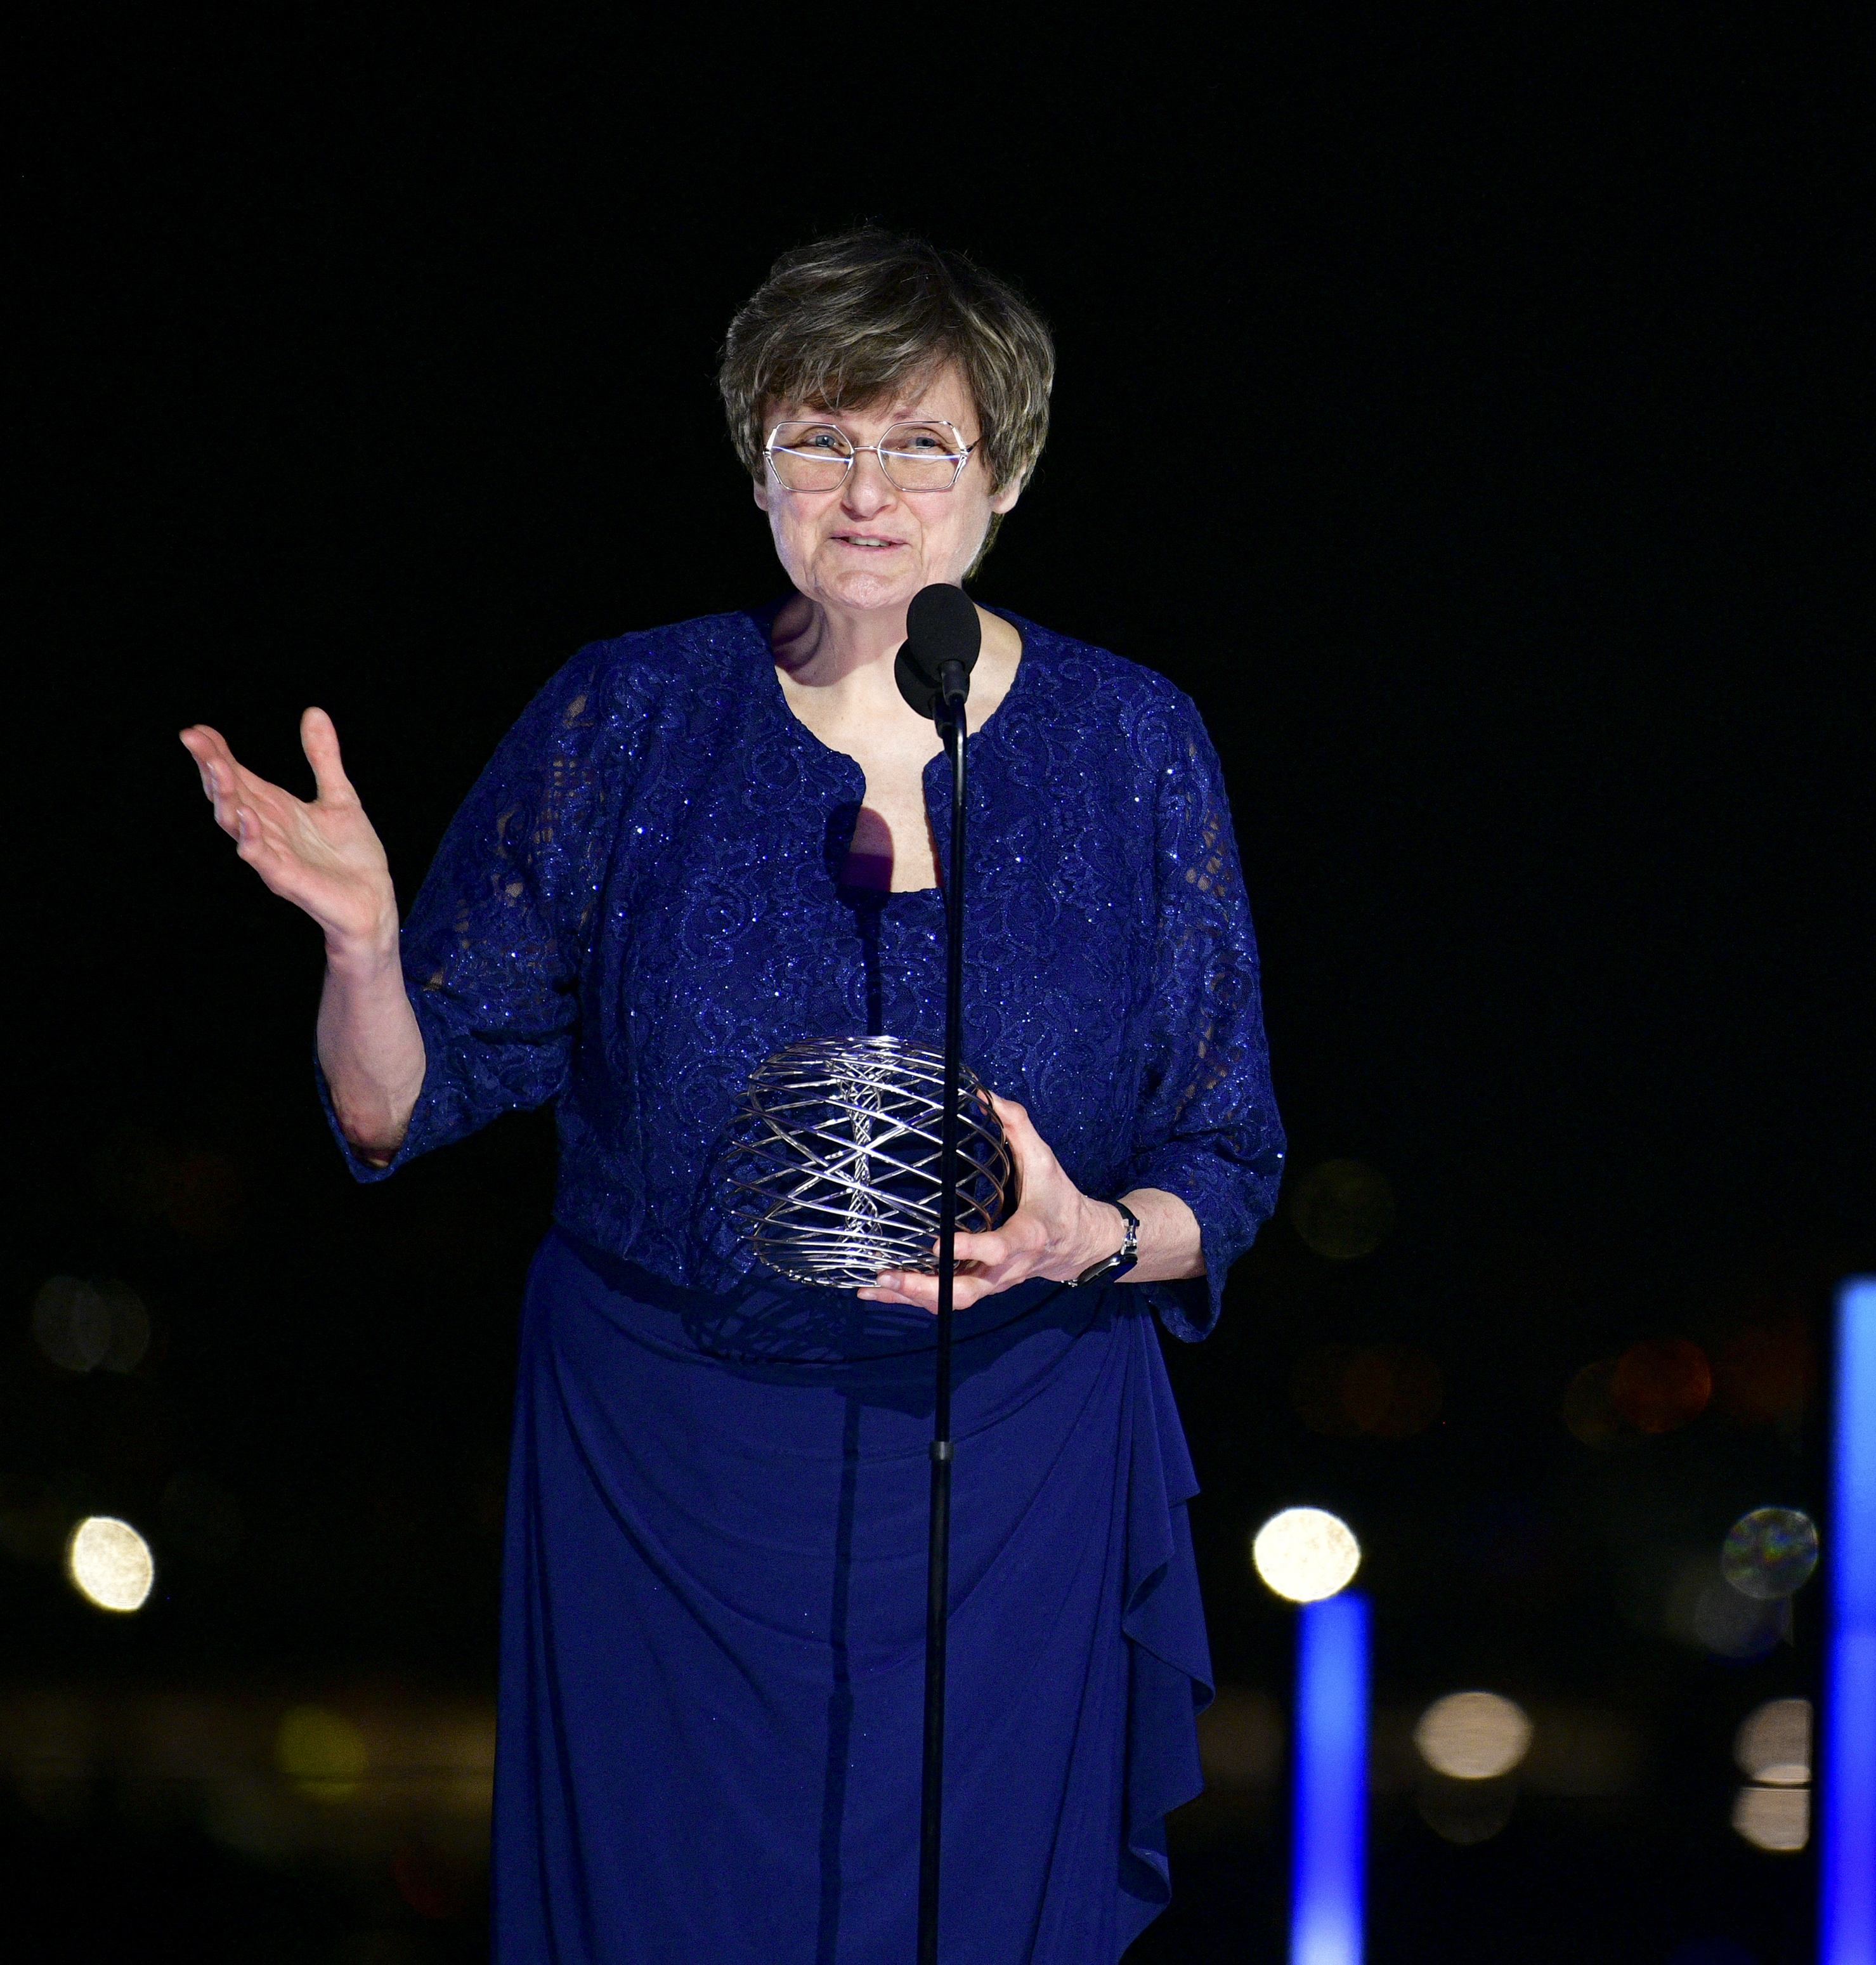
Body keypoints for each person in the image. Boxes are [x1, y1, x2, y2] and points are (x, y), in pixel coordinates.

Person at [180, 230, 1284, 1962]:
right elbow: (398, 1108)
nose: (870, 490)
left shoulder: (1134, 743)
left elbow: (1228, 1155)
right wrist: (366, 949)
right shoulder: (627, 712)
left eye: (922, 443)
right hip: (666, 1472)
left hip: (1008, 1474)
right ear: (755, 461)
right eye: (821, 438)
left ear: (1002, 475)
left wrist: (1089, 1232)